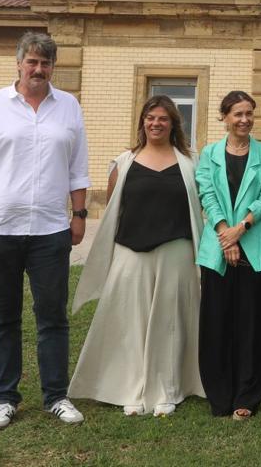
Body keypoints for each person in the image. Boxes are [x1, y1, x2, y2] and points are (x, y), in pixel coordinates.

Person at [0, 31, 90, 430]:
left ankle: (56, 396)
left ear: (53, 67)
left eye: (45, 63)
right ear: (18, 63)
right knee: (3, 318)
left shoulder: (68, 107)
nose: (38, 69)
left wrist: (78, 215)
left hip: (50, 231)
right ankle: (5, 399)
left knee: (53, 317)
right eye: (32, 62)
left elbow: (77, 166)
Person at [69, 95, 205, 416]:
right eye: (150, 118)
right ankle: (130, 387)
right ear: (142, 122)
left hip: (176, 250)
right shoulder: (123, 162)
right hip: (130, 251)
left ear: (173, 124)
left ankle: (168, 391)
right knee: (130, 321)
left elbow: (200, 206)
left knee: (169, 323)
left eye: (162, 119)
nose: (155, 123)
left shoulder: (190, 163)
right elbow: (115, 209)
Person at [195, 90, 261, 419]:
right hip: (217, 248)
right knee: (217, 323)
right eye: (237, 114)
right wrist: (225, 236)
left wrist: (241, 228)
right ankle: (219, 394)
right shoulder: (209, 154)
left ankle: (247, 394)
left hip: (253, 246)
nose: (244, 119)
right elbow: (207, 192)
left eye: (249, 113)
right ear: (225, 117)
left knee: (251, 324)